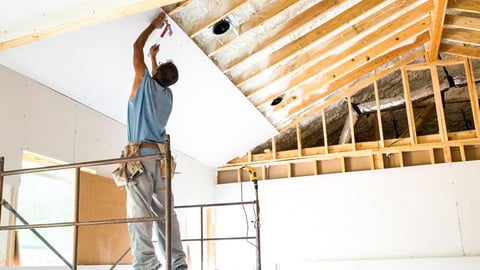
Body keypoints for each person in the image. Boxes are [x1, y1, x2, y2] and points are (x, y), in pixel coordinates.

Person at [125, 11, 187, 270]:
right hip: (161, 161)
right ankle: (178, 263)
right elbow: (157, 79)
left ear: (156, 73)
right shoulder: (168, 97)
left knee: (140, 214)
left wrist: (153, 25)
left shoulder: (143, 84)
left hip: (140, 157)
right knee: (166, 215)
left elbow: (135, 45)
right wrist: (154, 59)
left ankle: (147, 264)